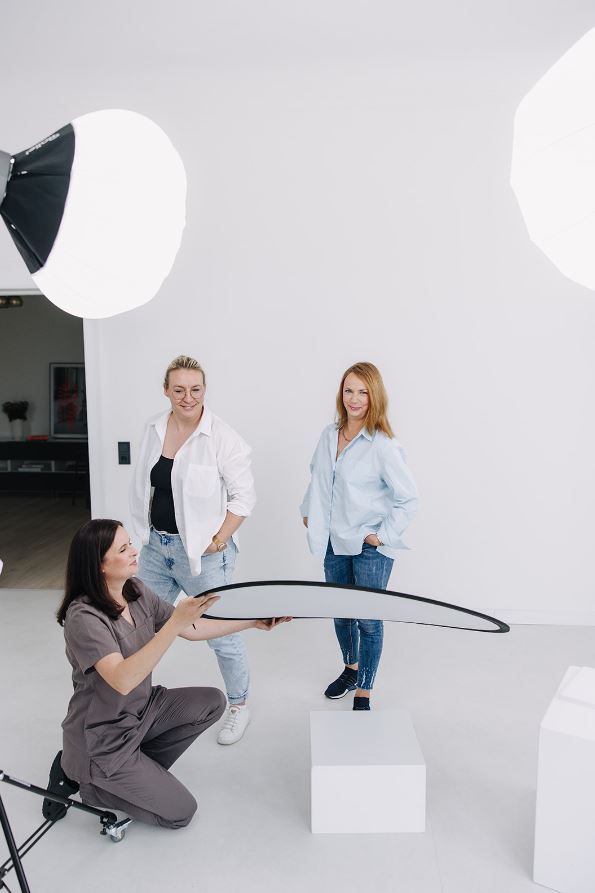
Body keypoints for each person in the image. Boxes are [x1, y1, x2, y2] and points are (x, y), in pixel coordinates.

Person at [51, 519, 288, 829]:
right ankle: (86, 783)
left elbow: (191, 628)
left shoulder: (134, 590)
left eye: (130, 544)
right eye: (123, 549)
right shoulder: (83, 617)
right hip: (102, 736)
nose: (135, 551)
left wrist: (252, 622)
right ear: (100, 566)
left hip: (141, 711)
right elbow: (122, 679)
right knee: (180, 812)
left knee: (211, 702)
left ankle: (133, 770)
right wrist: (175, 622)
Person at [130, 355, 256, 745]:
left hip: (203, 555)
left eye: (196, 389)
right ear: (166, 390)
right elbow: (147, 486)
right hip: (155, 547)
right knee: (137, 629)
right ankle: (132, 707)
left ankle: (239, 705)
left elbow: (243, 498)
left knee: (221, 635)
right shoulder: (153, 427)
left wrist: (216, 542)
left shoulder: (222, 436)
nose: (188, 397)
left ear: (205, 390)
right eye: (179, 389)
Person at [300, 362, 418, 710]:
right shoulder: (328, 435)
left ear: (374, 396)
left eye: (363, 392)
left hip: (369, 549)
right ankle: (350, 669)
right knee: (341, 612)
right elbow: (317, 476)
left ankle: (365, 687)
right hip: (334, 542)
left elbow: (409, 498)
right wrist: (308, 511)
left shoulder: (383, 446)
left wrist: (380, 536)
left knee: (367, 617)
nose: (354, 398)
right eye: (349, 390)